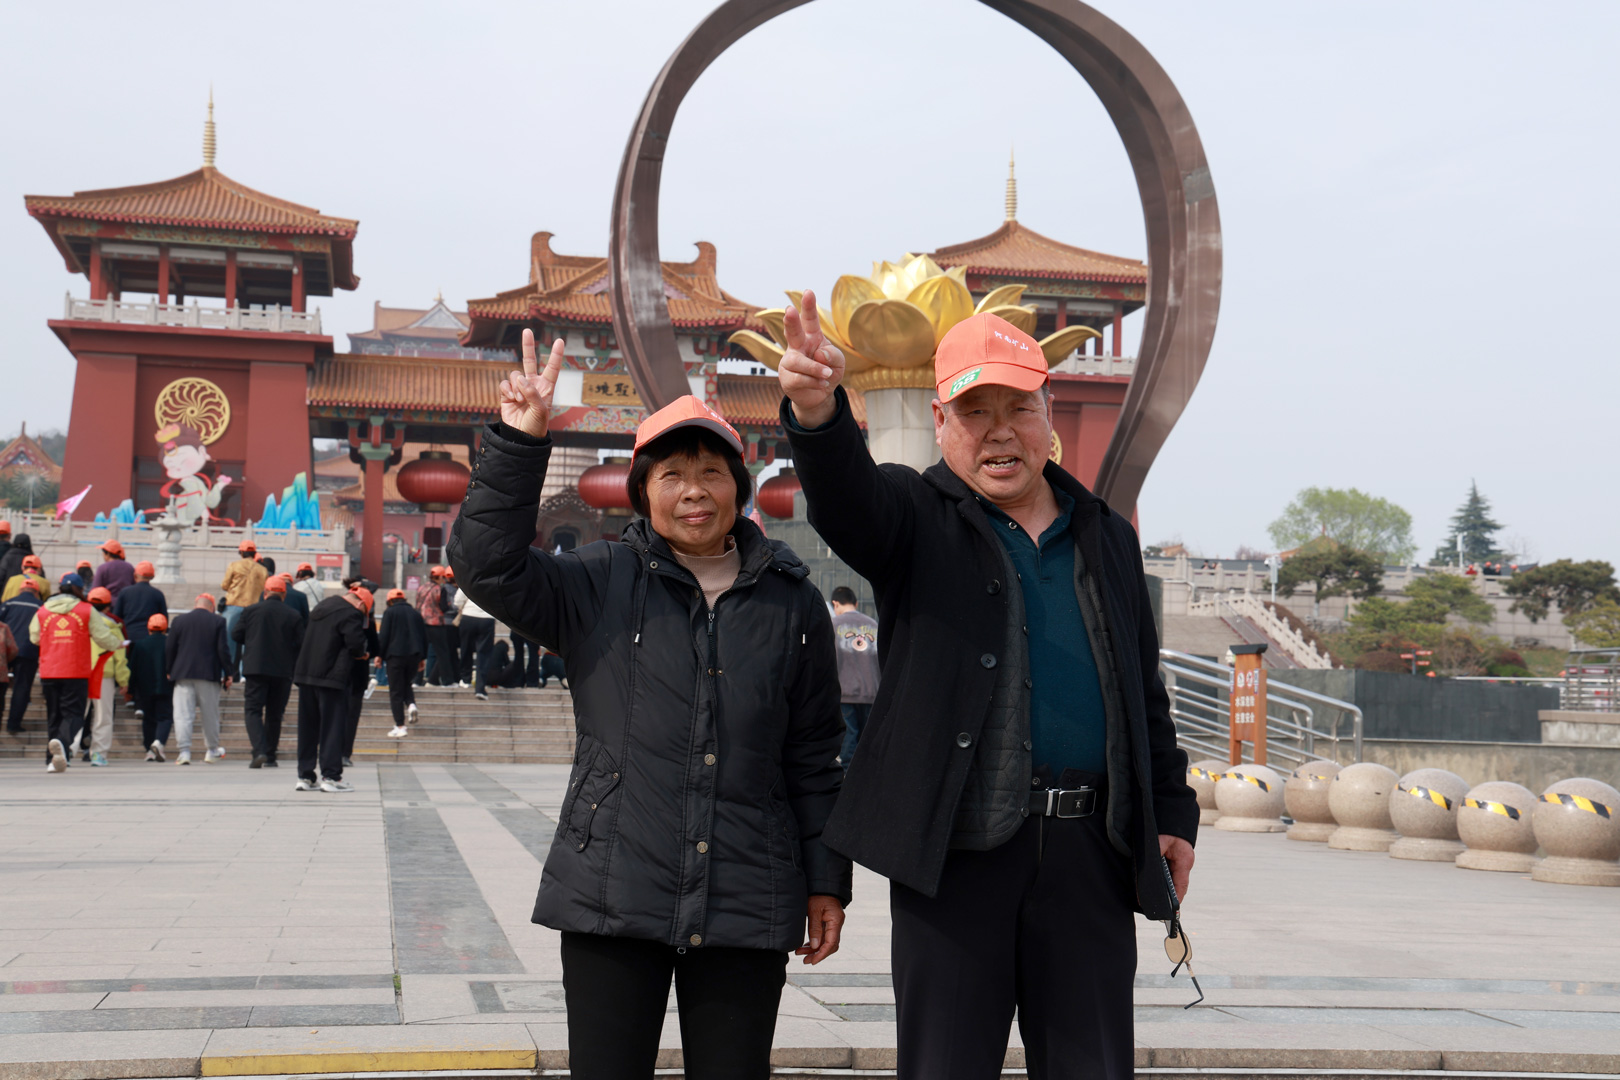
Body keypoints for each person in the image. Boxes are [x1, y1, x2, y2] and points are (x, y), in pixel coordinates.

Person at [777, 297, 1198, 1079]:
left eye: (1018, 408)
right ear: (941, 421)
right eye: (976, 412)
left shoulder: (1104, 533)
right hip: (958, 853)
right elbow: (847, 499)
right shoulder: (914, 515)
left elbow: (1143, 691)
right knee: (946, 1064)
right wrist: (816, 411)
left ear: (1048, 413)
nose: (1000, 432)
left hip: (1091, 854)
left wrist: (1172, 813)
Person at [448, 330, 850, 1080]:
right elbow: (486, 567)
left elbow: (814, 752)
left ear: (739, 488)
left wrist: (826, 879)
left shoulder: (791, 601)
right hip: (612, 886)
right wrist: (519, 440)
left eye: (711, 472)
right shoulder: (596, 580)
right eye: (672, 475)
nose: (693, 491)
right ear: (642, 493)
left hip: (745, 893)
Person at [32, 574, 121, 772]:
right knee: (74, 714)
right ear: (81, 590)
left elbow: (34, 637)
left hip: (49, 670)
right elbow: (102, 637)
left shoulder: (43, 610)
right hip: (75, 670)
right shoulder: (86, 610)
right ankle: (62, 744)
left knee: (54, 715)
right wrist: (117, 644)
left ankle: (52, 760)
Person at [293, 582, 370, 792]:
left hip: (307, 674)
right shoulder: (351, 613)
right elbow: (355, 643)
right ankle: (331, 777)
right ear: (360, 604)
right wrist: (362, 653)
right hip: (331, 677)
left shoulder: (322, 606)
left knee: (307, 728)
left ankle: (305, 776)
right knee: (332, 727)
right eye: (364, 612)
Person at [233, 575, 303, 768]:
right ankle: (270, 755)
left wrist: (253, 639)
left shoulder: (251, 611)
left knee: (253, 710)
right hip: (282, 670)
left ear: (265, 593)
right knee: (275, 713)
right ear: (284, 595)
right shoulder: (293, 615)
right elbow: (301, 643)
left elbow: (236, 634)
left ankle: (259, 751)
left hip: (256, 668)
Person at [166, 593, 232, 765]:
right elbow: (223, 649)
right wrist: (229, 673)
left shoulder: (179, 621)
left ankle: (184, 752)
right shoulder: (218, 621)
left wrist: (169, 670)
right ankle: (211, 750)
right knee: (210, 715)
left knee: (182, 715)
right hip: (208, 674)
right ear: (212, 607)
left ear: (196, 604)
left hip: (182, 673)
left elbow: (170, 647)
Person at [827, 586, 879, 770]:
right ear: (856, 603)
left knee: (848, 742)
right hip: (871, 693)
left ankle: (848, 777)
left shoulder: (832, 625)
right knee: (868, 742)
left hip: (845, 693)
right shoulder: (873, 625)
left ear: (835, 603)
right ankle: (867, 778)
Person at [84, 586, 130, 767]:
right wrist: (124, 681)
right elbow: (120, 657)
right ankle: (98, 754)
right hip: (103, 674)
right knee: (103, 716)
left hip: (81, 672)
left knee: (76, 714)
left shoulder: (80, 623)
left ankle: (67, 751)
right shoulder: (113, 627)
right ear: (108, 606)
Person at [377, 587, 426, 738]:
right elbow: (424, 636)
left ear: (390, 601)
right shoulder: (415, 613)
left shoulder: (390, 612)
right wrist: (422, 658)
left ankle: (400, 726)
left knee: (395, 691)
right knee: (406, 684)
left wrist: (379, 655)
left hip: (395, 656)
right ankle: (411, 705)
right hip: (414, 655)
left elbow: (384, 635)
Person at [342, 584, 380, 767]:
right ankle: (344, 753)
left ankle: (334, 751)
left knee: (336, 714)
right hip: (357, 675)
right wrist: (366, 654)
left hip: (340, 675)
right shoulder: (368, 623)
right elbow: (375, 648)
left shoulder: (338, 618)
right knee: (351, 716)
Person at [129, 613, 174, 761]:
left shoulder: (140, 644)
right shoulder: (170, 644)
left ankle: (149, 750)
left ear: (148, 628)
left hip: (145, 689)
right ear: (165, 629)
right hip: (166, 687)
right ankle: (158, 743)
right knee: (165, 718)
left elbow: (133, 668)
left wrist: (130, 689)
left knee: (148, 719)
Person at [3, 579, 43, 733]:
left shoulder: (8, 604)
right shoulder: (40, 607)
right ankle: (13, 724)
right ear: (36, 592)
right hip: (28, 651)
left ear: (20, 590)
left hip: (5, 651)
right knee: (22, 687)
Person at [220, 540, 267, 671]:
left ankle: (226, 672)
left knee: (228, 640)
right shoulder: (262, 570)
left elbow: (224, 585)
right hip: (254, 608)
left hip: (233, 605)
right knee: (250, 642)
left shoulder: (234, 565)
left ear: (241, 552)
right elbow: (265, 590)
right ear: (254, 553)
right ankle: (245, 673)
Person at [416, 567, 459, 686]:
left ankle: (416, 680)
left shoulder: (421, 588)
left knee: (420, 652)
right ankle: (447, 681)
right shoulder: (440, 589)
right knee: (443, 653)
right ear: (440, 577)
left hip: (420, 622)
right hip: (435, 624)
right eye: (443, 577)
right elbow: (444, 607)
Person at [455, 584, 497, 700]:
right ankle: (480, 688)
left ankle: (465, 679)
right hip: (487, 618)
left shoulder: (470, 578)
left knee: (466, 649)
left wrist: (461, 606)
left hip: (469, 616)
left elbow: (458, 599)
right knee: (484, 654)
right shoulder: (495, 581)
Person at [112, 561, 168, 644]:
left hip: (128, 636)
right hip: (149, 639)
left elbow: (116, 617)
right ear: (152, 576)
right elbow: (164, 618)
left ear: (135, 575)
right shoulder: (158, 594)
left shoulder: (125, 592)